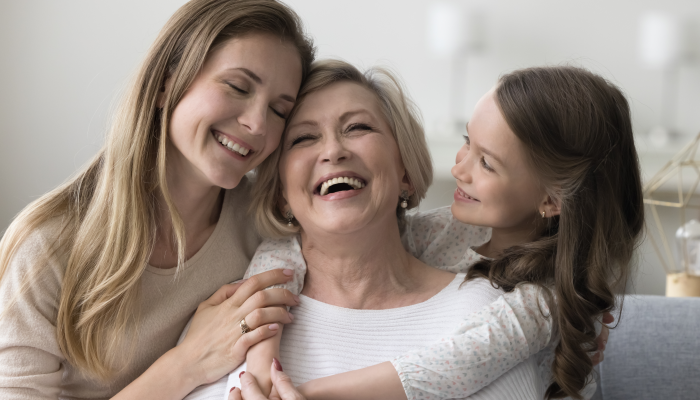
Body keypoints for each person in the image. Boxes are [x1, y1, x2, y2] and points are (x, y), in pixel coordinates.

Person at [218, 61, 641, 400]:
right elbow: (281, 254)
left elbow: (441, 371)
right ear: (280, 195)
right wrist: (261, 358)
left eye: (487, 163)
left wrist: (305, 393)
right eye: (465, 142)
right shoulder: (443, 233)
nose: (458, 169)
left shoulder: (539, 303)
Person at [0, 0, 316, 398]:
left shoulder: (267, 226)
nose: (257, 124)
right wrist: (187, 363)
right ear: (167, 82)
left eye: (279, 110)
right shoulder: (46, 246)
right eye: (237, 87)